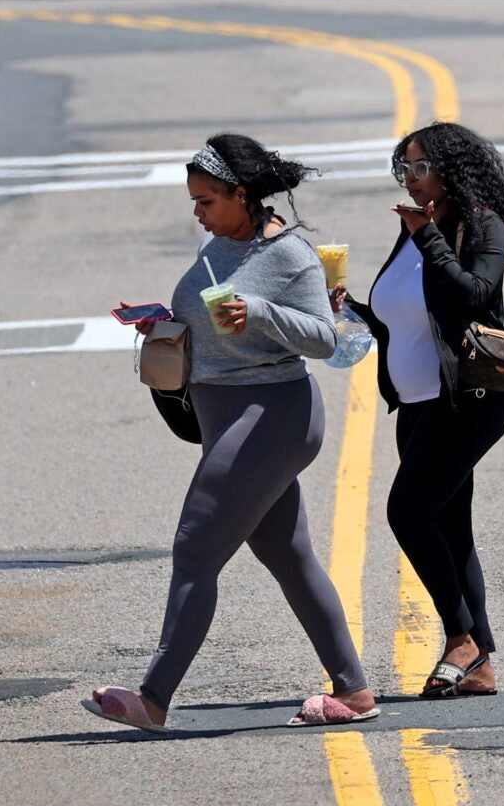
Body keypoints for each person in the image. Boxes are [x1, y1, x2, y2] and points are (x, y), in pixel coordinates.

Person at [87, 134, 379, 733]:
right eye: (194, 201)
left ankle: (154, 698)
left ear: (241, 195)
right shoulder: (220, 245)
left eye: (206, 200)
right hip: (226, 415)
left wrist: (261, 312)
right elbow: (209, 315)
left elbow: (325, 339)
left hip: (271, 415)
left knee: (195, 548)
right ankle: (353, 692)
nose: (198, 211)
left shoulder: (290, 257)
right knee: (290, 557)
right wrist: (162, 323)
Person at [336, 122, 504, 699]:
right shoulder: (415, 228)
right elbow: (403, 316)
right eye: (405, 170)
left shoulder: (482, 223)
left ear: (452, 168)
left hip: (467, 400)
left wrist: (428, 236)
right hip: (418, 403)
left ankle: (460, 639)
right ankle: (481, 664)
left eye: (420, 167)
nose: (412, 179)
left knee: (407, 511)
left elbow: (474, 296)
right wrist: (350, 307)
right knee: (451, 529)